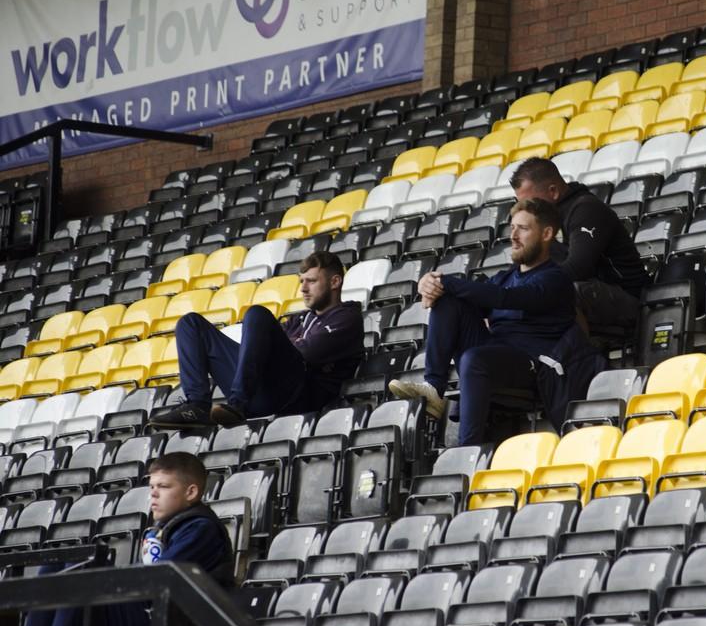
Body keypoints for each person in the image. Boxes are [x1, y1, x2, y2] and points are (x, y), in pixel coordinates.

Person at [387, 198, 581, 445]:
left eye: (523, 228)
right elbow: (477, 297)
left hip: (534, 365)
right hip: (495, 353)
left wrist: (444, 281)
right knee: (448, 301)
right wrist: (431, 285)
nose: (513, 236)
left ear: (546, 234)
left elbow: (505, 298)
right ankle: (434, 387)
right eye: (512, 228)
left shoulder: (556, 278)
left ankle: (467, 450)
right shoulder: (504, 277)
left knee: (474, 357)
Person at [24, 452, 233, 626]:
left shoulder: (201, 529)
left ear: (191, 492)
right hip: (149, 612)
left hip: (173, 623)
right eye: (152, 486)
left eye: (163, 486)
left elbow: (160, 579)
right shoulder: (167, 527)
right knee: (56, 565)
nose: (153, 493)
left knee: (81, 568)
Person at [151, 251, 364, 429]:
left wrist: (275, 345)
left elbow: (307, 353)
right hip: (262, 391)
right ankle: (197, 405)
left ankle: (237, 403)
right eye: (302, 281)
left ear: (335, 282)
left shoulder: (348, 318)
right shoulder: (300, 320)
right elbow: (270, 347)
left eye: (312, 281)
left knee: (257, 314)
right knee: (190, 324)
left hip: (297, 396)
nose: (303, 288)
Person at [509, 157, 650, 331]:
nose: (525, 209)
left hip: (628, 298)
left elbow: (578, 268)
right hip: (585, 293)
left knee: (566, 291)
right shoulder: (541, 220)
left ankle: (579, 349)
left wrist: (529, 291)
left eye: (531, 202)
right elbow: (522, 266)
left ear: (553, 191)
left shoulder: (586, 209)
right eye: (521, 203)